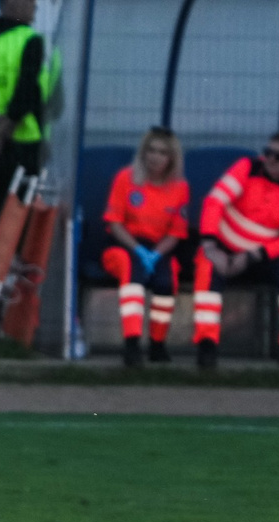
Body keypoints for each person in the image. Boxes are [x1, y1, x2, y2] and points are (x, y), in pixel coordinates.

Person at [192, 131, 279, 372]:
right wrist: (211, 246)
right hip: (223, 248)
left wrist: (254, 255)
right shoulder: (247, 167)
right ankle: (207, 344)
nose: (270, 159)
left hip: (260, 256)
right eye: (268, 152)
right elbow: (214, 201)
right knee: (206, 266)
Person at [0, 0, 55, 264]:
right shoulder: (29, 39)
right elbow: (25, 96)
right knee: (21, 216)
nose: (35, 6)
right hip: (23, 144)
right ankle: (12, 279)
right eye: (29, 1)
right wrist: (2, 134)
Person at [99, 125, 190, 367]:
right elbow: (115, 223)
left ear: (172, 158)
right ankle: (132, 344)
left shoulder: (180, 187)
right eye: (151, 150)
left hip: (159, 248)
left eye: (162, 152)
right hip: (124, 244)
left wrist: (155, 255)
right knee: (133, 275)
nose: (155, 157)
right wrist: (138, 251)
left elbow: (176, 233)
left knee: (166, 281)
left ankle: (157, 344)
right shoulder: (125, 178)